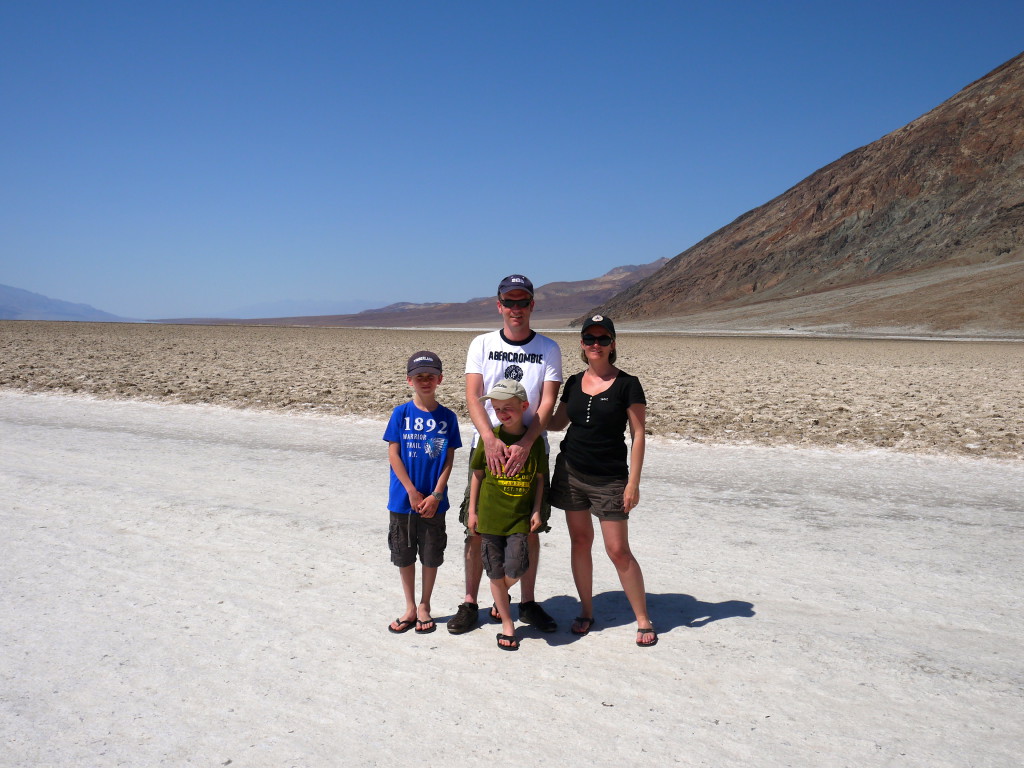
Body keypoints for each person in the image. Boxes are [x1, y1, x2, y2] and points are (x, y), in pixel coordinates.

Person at [446, 274, 563, 635]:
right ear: (499, 305)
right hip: (490, 445)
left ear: (532, 305)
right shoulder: (481, 344)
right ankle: (470, 601)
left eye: (522, 302)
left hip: (531, 444)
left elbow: (547, 401)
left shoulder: (548, 348)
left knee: (528, 524)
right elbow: (473, 395)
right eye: (509, 302)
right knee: (477, 522)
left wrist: (527, 442)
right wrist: (489, 439)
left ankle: (525, 601)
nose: (515, 308)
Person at [549, 314, 657, 647]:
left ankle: (642, 617)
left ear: (613, 344)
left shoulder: (628, 384)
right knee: (580, 542)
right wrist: (517, 413)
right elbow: (556, 423)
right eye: (589, 339)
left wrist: (633, 483)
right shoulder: (573, 382)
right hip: (570, 473)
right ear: (582, 344)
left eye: (603, 339)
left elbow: (638, 434)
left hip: (610, 478)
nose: (596, 345)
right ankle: (586, 610)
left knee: (618, 550)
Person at [383, 351, 462, 635]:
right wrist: (412, 492)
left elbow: (448, 458)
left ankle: (425, 604)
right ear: (409, 380)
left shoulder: (447, 417)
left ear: (440, 379)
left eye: (430, 376)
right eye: (419, 377)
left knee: (430, 554)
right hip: (403, 500)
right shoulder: (401, 414)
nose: (425, 381)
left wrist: (437, 494)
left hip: (434, 503)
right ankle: (410, 607)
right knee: (404, 554)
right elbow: (394, 454)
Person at [468, 380, 546, 651]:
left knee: (515, 567)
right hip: (490, 518)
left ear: (524, 406)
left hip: (518, 519)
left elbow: (539, 479)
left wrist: (536, 509)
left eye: (509, 408)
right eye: (497, 408)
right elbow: (477, 475)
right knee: (494, 569)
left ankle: (500, 593)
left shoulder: (532, 443)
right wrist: (471, 511)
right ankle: (507, 624)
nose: (502, 413)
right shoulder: (490, 439)